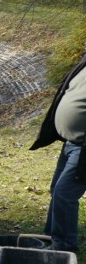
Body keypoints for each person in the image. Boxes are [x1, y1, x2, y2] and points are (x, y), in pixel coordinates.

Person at [30, 54, 86, 252]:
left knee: (65, 193)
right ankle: (51, 236)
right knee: (56, 189)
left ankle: (64, 246)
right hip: (70, 143)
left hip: (83, 148)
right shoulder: (84, 64)